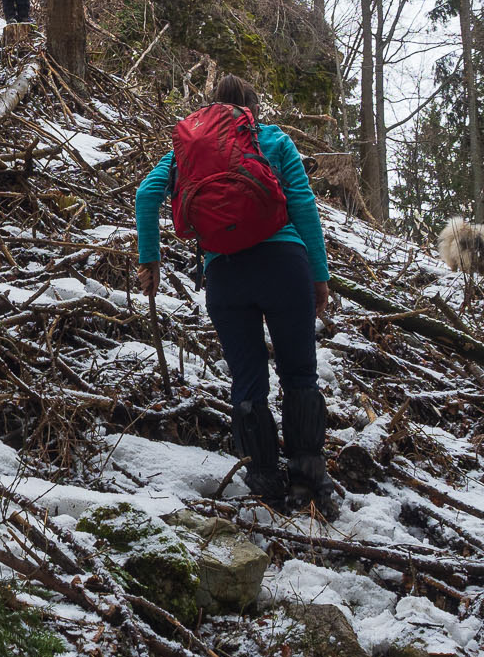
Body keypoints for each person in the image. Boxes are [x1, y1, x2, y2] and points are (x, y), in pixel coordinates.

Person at [134, 76, 342, 515]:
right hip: (284, 265)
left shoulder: (186, 151)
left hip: (226, 274)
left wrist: (149, 260)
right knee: (299, 374)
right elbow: (303, 206)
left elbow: (146, 194)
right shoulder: (273, 140)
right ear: (253, 109)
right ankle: (307, 480)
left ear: (212, 111)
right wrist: (319, 277)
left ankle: (265, 482)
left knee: (248, 383)